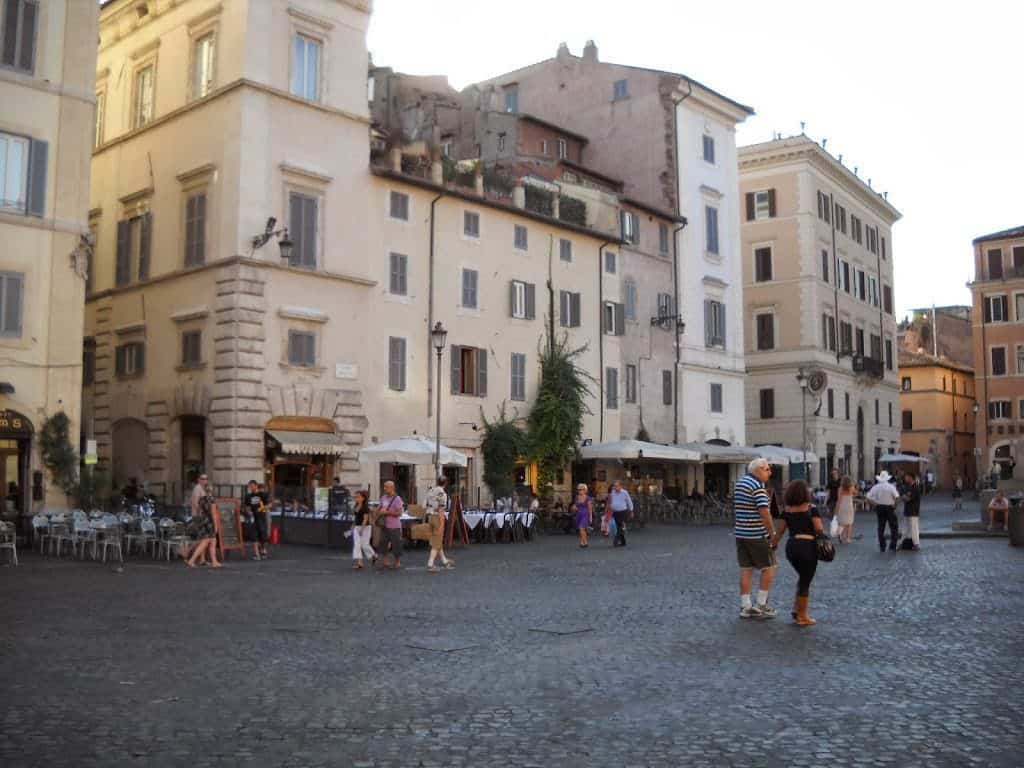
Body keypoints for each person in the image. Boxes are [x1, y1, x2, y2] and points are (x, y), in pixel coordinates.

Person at [772, 480, 825, 626]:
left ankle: (797, 609)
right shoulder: (811, 508)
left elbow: (779, 532)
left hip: (792, 547)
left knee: (802, 578)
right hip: (807, 546)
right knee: (805, 581)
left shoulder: (786, 511)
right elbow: (819, 529)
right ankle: (802, 616)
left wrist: (773, 544)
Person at [733, 458, 778, 619]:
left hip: (741, 533)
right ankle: (762, 604)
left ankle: (746, 606)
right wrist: (772, 533)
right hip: (757, 534)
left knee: (746, 569)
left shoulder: (740, 483)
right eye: (767, 469)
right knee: (770, 567)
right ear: (758, 470)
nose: (769, 473)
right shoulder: (758, 488)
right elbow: (765, 513)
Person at [186, 474, 221, 568]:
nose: (205, 480)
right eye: (203, 479)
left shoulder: (202, 499)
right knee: (205, 541)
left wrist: (201, 516)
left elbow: (199, 508)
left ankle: (214, 561)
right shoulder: (211, 499)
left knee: (212, 541)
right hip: (210, 522)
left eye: (206, 479)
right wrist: (216, 525)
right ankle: (191, 559)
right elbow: (214, 513)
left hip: (203, 519)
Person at [866, 470, 901, 552]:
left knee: (881, 527)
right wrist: (895, 505)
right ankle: (893, 545)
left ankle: (882, 545)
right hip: (889, 507)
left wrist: (874, 504)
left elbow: (868, 498)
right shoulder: (891, 487)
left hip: (880, 507)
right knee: (893, 527)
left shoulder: (876, 487)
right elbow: (897, 497)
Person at [425, 477, 454, 573]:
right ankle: (430, 563)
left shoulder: (431, 491)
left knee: (436, 540)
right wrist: (442, 523)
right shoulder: (443, 494)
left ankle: (444, 560)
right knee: (436, 541)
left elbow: (424, 504)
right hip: (437, 517)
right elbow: (441, 509)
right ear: (445, 483)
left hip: (430, 516)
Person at [376, 480, 404, 570]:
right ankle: (385, 561)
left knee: (396, 544)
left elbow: (400, 513)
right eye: (384, 487)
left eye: (386, 487)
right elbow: (379, 508)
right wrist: (377, 511)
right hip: (384, 524)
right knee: (383, 543)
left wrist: (387, 512)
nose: (384, 489)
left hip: (394, 525)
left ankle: (397, 562)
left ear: (392, 488)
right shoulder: (383, 497)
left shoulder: (397, 499)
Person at [349, 489, 377, 569]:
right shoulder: (355, 506)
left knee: (365, 545)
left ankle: (374, 555)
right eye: (355, 497)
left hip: (366, 527)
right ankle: (360, 562)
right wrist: (353, 525)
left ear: (363, 498)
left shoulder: (365, 507)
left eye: (358, 497)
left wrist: (362, 528)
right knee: (357, 544)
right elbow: (356, 517)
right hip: (357, 527)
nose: (356, 498)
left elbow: (365, 519)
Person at [243, 480, 266, 560]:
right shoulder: (248, 496)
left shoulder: (262, 494)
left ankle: (262, 548)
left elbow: (269, 504)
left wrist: (261, 508)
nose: (251, 488)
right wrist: (249, 512)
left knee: (263, 535)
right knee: (254, 535)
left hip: (262, 517)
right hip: (254, 518)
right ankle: (256, 554)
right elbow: (247, 506)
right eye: (250, 486)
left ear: (256, 486)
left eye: (252, 486)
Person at [606, 479, 633, 547]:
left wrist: (631, 510)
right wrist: (609, 510)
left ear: (620, 486)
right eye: (614, 486)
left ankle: (616, 539)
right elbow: (610, 501)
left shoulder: (625, 492)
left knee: (619, 526)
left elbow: (629, 501)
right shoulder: (612, 492)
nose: (615, 487)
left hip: (623, 511)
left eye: (617, 486)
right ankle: (623, 541)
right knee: (618, 526)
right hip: (615, 512)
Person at [901, 473, 922, 550]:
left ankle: (916, 544)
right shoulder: (907, 487)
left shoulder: (915, 487)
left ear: (911, 478)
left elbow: (908, 499)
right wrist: (904, 497)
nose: (905, 478)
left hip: (913, 510)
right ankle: (903, 542)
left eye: (907, 477)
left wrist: (904, 497)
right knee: (905, 527)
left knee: (914, 527)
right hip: (907, 510)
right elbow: (905, 497)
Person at [570, 483, 594, 548]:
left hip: (585, 515)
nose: (579, 491)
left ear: (585, 490)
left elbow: (590, 508)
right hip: (578, 514)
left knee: (581, 528)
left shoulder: (588, 498)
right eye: (578, 489)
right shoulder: (577, 497)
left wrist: (590, 517)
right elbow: (575, 505)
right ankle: (583, 541)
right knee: (582, 529)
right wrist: (574, 507)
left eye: (581, 489)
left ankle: (584, 542)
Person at [835, 475, 857, 544]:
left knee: (841, 522)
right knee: (849, 523)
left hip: (842, 506)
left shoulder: (840, 489)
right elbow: (856, 492)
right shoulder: (852, 488)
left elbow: (839, 500)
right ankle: (848, 538)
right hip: (849, 506)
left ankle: (840, 534)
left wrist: (836, 510)